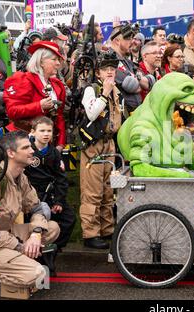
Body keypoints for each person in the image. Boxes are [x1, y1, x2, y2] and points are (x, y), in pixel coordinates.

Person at [0, 131, 60, 297]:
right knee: (39, 275)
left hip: (5, 235)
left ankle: (14, 262)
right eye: (26, 147)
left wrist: (36, 235)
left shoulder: (20, 176)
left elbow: (37, 209)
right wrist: (20, 246)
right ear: (10, 153)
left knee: (52, 227)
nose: (32, 150)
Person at [79, 50, 122, 249]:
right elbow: (91, 113)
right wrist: (104, 93)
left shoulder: (117, 90)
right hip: (93, 145)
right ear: (98, 72)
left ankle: (107, 230)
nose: (110, 72)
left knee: (107, 190)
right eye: (106, 69)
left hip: (110, 143)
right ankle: (90, 234)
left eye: (113, 68)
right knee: (92, 192)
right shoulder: (92, 89)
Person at [24, 116, 75, 275]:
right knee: (35, 222)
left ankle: (53, 249)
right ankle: (36, 256)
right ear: (33, 132)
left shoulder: (54, 153)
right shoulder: (27, 150)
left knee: (69, 219)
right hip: (32, 195)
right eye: (42, 131)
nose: (46, 134)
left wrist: (59, 201)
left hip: (51, 194)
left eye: (49, 131)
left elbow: (61, 179)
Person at [3, 41, 66, 151]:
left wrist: (60, 143)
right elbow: (12, 112)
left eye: (58, 60)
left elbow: (59, 116)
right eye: (54, 59)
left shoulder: (57, 85)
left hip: (49, 144)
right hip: (24, 142)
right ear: (41, 61)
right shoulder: (23, 80)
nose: (58, 63)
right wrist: (39, 106)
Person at [109, 24, 150, 118]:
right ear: (117, 41)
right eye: (127, 38)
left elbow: (148, 83)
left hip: (135, 114)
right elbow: (134, 86)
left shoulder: (127, 61)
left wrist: (138, 79)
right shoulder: (110, 60)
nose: (132, 42)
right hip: (122, 117)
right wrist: (139, 81)